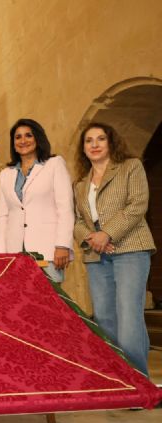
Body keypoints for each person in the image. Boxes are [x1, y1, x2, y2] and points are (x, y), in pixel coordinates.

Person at [73, 122, 156, 376]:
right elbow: (76, 221)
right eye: (89, 141)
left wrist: (107, 233)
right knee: (105, 319)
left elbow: (137, 205)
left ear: (111, 142)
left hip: (130, 249)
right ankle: (117, 379)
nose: (95, 145)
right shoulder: (80, 184)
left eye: (100, 139)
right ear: (83, 148)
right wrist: (91, 237)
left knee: (129, 316)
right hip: (96, 255)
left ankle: (138, 383)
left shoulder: (131, 166)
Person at [0, 118, 74, 282]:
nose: (23, 141)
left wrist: (62, 245)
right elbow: (4, 217)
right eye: (18, 137)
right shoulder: (5, 174)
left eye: (28, 135)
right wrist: (1, 256)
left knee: (49, 304)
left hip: (48, 250)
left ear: (38, 138)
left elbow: (65, 208)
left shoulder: (54, 164)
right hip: (15, 253)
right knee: (19, 304)